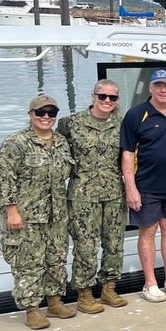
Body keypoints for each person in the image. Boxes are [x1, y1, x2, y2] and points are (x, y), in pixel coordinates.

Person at [0, 95, 75, 329]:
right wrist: (12, 212)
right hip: (26, 216)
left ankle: (54, 302)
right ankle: (32, 309)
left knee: (56, 259)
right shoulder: (16, 142)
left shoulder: (60, 142)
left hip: (56, 214)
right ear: (31, 114)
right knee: (28, 263)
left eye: (51, 113)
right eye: (40, 112)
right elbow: (3, 180)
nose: (46, 117)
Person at [121, 69, 166, 302]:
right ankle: (149, 283)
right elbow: (128, 154)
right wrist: (130, 188)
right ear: (150, 88)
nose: (163, 90)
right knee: (148, 232)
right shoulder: (136, 114)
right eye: (158, 85)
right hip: (146, 187)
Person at [57, 80, 128, 313]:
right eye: (103, 96)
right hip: (82, 195)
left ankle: (108, 288)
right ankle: (85, 294)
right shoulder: (71, 123)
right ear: (93, 96)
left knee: (114, 243)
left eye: (112, 97)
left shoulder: (121, 124)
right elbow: (58, 152)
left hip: (114, 193)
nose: (107, 101)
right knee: (86, 245)